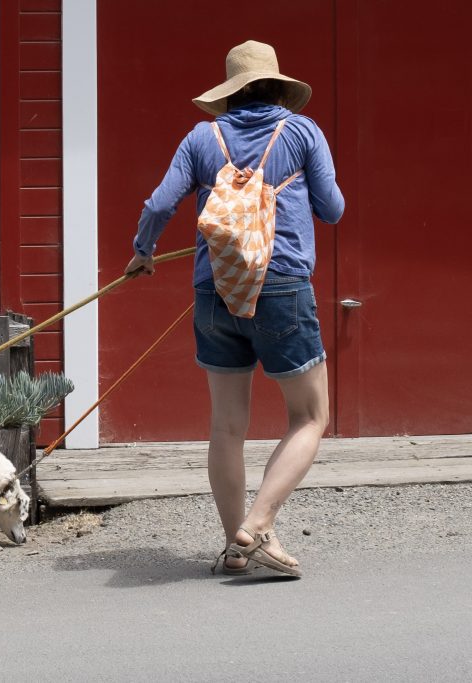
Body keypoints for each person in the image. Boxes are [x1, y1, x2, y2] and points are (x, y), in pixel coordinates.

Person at [124, 40, 344, 577]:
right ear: (278, 85)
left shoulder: (203, 136)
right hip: (282, 285)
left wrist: (143, 252)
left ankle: (232, 546)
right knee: (311, 416)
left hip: (214, 290)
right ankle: (260, 522)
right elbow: (333, 209)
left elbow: (158, 204)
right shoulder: (302, 131)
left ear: (231, 92)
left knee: (226, 426)